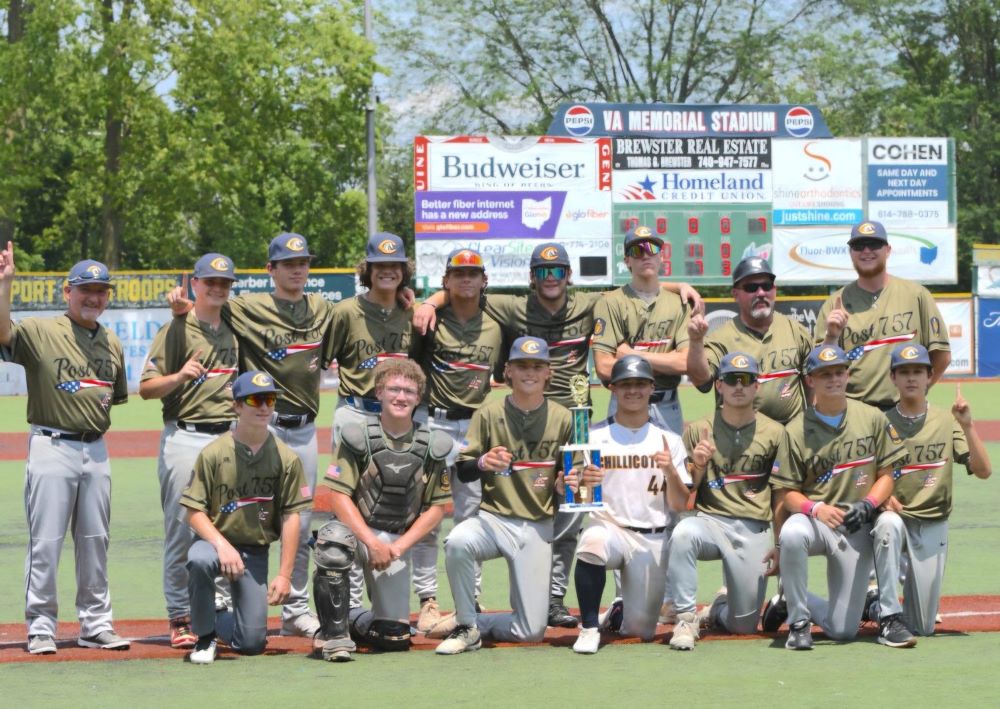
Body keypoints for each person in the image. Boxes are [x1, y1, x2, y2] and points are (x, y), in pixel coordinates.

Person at [414, 241, 703, 629]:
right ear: (532, 278)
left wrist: (679, 286)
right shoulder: (513, 306)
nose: (551, 278)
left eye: (557, 271)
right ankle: (475, 602)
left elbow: (637, 284)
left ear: (568, 275)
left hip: (576, 420)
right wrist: (431, 302)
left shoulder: (587, 303)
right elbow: (463, 290)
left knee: (576, 506)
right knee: (509, 497)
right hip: (526, 418)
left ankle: (553, 599)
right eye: (543, 272)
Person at [169, 232, 335, 637]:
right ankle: (223, 596)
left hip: (305, 427)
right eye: (288, 264)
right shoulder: (246, 307)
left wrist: (420, 300)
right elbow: (210, 305)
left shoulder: (324, 309)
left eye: (303, 263)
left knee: (302, 514)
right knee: (238, 510)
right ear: (270, 270)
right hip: (262, 424)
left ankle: (295, 608)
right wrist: (183, 307)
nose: (298, 269)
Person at [0, 245, 130, 655]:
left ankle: (95, 623)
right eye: (85, 289)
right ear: (67, 292)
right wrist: (5, 286)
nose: (93, 297)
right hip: (52, 445)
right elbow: (3, 334)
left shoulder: (112, 342)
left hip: (96, 450)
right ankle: (41, 626)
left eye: (101, 290)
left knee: (95, 540)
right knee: (47, 541)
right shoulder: (42, 331)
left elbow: (113, 398)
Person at [427, 336, 578, 654]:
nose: (530, 372)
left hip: (537, 525)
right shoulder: (488, 413)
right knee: (457, 542)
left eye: (538, 366)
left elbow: (570, 482)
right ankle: (467, 625)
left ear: (548, 372)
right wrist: (482, 462)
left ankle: (478, 624)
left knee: (531, 632)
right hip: (493, 521)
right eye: (522, 365)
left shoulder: (564, 418)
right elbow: (465, 469)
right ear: (508, 371)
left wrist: (567, 486)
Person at [767, 344, 908, 650]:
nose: (833, 379)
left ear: (847, 374)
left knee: (843, 631)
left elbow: (888, 474)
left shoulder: (871, 418)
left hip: (856, 526)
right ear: (810, 381)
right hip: (817, 524)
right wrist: (814, 507)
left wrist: (869, 502)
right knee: (792, 532)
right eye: (824, 374)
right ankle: (799, 623)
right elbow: (784, 492)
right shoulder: (796, 430)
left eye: (838, 372)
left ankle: (787, 598)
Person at [313, 359, 452, 661]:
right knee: (333, 540)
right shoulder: (357, 435)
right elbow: (338, 496)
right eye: (394, 389)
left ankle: (350, 620)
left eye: (409, 391)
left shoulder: (431, 444)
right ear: (379, 392)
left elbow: (437, 508)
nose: (401, 397)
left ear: (418, 397)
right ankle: (333, 635)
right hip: (358, 536)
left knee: (394, 636)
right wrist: (371, 542)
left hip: (395, 543)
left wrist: (397, 546)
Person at [324, 232, 426, 622]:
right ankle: (345, 603)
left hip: (399, 416)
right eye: (380, 266)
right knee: (346, 506)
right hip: (355, 411)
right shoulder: (347, 311)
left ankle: (387, 597)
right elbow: (322, 359)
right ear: (368, 270)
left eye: (395, 266)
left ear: (403, 271)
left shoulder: (410, 313)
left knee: (396, 503)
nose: (388, 271)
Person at [139, 253, 239, 649]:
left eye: (224, 283)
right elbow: (145, 389)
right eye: (210, 281)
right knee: (181, 529)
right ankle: (179, 616)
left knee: (226, 526)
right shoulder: (176, 328)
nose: (217, 288)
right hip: (185, 435)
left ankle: (219, 610)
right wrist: (179, 376)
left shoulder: (234, 328)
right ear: (195, 283)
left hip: (227, 436)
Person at [180, 371, 312, 664]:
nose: (263, 407)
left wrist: (285, 574)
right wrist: (222, 545)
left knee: (251, 644)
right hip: (214, 543)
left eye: (269, 399)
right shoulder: (213, 453)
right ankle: (203, 639)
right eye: (254, 399)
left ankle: (214, 614)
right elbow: (193, 511)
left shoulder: (286, 458)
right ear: (237, 406)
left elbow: (292, 516)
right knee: (200, 560)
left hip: (254, 550)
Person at [868, 344, 991, 647]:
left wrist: (967, 425)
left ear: (929, 377)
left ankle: (870, 605)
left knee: (922, 626)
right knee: (887, 525)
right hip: (895, 519)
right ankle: (884, 612)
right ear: (893, 378)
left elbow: (984, 470)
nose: (912, 378)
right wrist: (881, 498)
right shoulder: (880, 422)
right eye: (905, 372)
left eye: (918, 372)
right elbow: (861, 476)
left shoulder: (946, 421)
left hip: (932, 521)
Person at [666, 352, 787, 651]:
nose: (739, 386)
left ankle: (718, 608)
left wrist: (781, 543)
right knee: (683, 533)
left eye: (746, 380)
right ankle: (685, 618)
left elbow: (780, 494)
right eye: (731, 379)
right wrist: (698, 466)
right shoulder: (698, 430)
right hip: (710, 522)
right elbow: (684, 499)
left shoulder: (775, 432)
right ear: (719, 385)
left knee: (742, 625)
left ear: (757, 387)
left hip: (753, 527)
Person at [571, 354, 689, 654]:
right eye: (625, 384)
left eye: (639, 384)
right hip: (611, 530)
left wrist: (671, 472)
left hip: (652, 538)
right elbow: (576, 495)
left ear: (652, 388)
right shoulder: (594, 436)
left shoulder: (669, 440)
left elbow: (680, 504)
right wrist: (581, 482)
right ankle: (588, 627)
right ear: (612, 388)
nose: (632, 391)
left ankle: (619, 610)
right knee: (591, 542)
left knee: (641, 631)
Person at [411, 247, 503, 624]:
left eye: (473, 273)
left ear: (484, 281)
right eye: (458, 273)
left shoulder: (498, 323)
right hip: (435, 423)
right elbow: (411, 369)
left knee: (471, 515)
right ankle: (428, 599)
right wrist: (429, 303)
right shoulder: (429, 321)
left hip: (476, 429)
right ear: (446, 281)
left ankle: (470, 597)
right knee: (426, 514)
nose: (466, 279)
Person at [817, 220, 951, 410]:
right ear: (851, 253)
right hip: (854, 411)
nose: (866, 251)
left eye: (873, 244)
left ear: (887, 250)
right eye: (858, 245)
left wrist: (920, 392)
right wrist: (831, 336)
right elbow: (820, 367)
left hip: (903, 408)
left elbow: (941, 355)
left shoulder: (916, 295)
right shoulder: (835, 303)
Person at [686, 256, 812, 424]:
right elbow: (701, 380)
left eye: (766, 286)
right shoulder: (721, 338)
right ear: (735, 294)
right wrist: (695, 341)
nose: (760, 293)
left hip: (789, 435)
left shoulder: (796, 331)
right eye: (751, 287)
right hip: (741, 438)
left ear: (774, 290)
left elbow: (814, 384)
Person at [592, 224, 691, 435]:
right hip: (624, 402)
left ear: (661, 257)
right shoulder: (611, 302)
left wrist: (631, 355)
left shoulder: (679, 303)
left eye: (652, 249)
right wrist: (666, 360)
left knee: (669, 467)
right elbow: (603, 367)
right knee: (619, 467)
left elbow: (685, 362)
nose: (646, 255)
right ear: (627, 260)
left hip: (667, 403)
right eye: (637, 251)